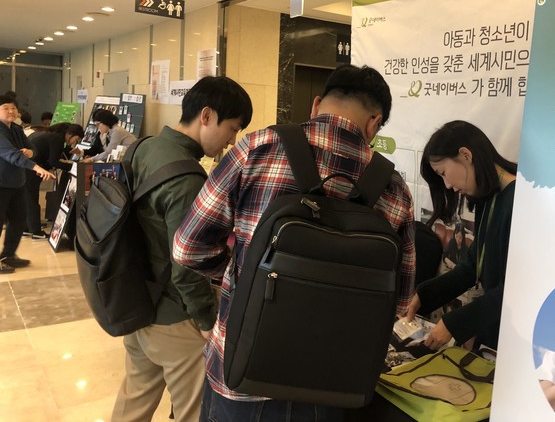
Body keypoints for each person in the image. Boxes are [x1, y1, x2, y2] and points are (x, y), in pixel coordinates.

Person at [173, 64, 416, 421]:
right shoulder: (395, 189)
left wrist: (244, 273)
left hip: (242, 372)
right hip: (332, 385)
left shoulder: (257, 149)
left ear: (316, 104)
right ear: (373, 124)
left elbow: (186, 248)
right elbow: (401, 299)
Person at [111, 76, 253, 422]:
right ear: (206, 116)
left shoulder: (144, 147)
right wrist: (206, 320)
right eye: (232, 128)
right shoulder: (188, 179)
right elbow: (186, 264)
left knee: (133, 403)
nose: (231, 140)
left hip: (137, 300)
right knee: (196, 412)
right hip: (174, 317)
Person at [405, 120, 516, 352]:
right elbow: (473, 266)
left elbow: (516, 290)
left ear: (465, 155)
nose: (448, 185)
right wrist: (425, 295)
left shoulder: (519, 201)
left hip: (514, 336)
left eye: (443, 173)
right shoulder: (489, 197)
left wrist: (455, 323)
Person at [0, 95, 55, 273]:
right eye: (5, 108)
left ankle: (8, 255)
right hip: (1, 183)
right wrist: (37, 168)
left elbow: (32, 148)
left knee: (18, 220)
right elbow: (12, 155)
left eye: (13, 108)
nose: (11, 111)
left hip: (16, 183)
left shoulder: (16, 129)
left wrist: (31, 153)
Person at [24, 123, 84, 239]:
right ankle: (36, 232)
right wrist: (73, 167)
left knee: (28, 199)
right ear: (70, 134)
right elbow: (53, 161)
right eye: (75, 140)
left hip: (29, 168)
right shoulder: (57, 139)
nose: (74, 143)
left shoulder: (52, 135)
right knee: (31, 200)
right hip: (31, 169)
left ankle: (27, 228)